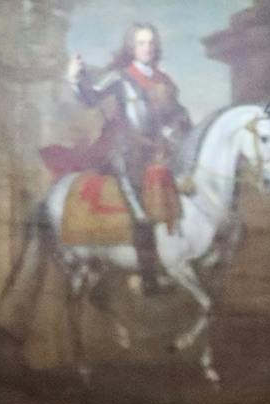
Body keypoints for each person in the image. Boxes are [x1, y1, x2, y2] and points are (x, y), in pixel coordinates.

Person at [65, 22, 190, 299]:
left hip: (160, 155)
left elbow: (180, 115)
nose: (146, 48)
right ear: (132, 48)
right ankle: (149, 280)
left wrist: (176, 128)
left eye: (150, 43)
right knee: (142, 215)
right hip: (127, 156)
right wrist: (75, 78)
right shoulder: (120, 78)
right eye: (140, 43)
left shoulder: (164, 82)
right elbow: (90, 97)